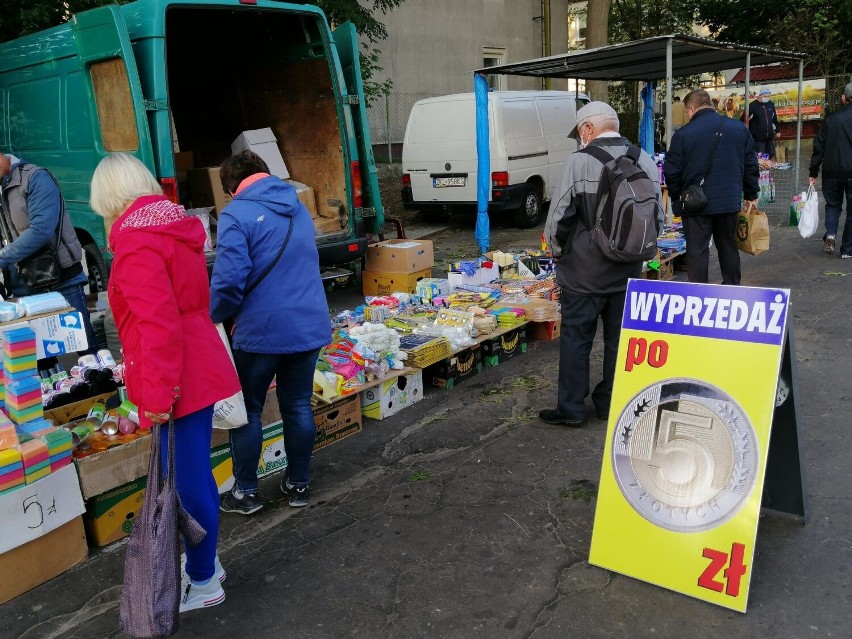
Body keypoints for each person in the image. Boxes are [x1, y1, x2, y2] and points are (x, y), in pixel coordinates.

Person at [89, 152, 240, 613]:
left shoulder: (136, 243)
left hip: (176, 376)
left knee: (189, 482)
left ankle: (202, 577)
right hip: (194, 364)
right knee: (193, 476)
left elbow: (156, 325)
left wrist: (155, 395)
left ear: (108, 195)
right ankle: (206, 566)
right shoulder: (170, 228)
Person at [210, 150, 330, 514]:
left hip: (261, 332)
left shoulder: (235, 213)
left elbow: (229, 282)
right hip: (307, 325)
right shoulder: (297, 208)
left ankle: (246, 492)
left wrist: (213, 316)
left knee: (248, 410)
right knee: (297, 405)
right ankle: (298, 484)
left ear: (231, 188)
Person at [539, 102, 663, 427]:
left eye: (580, 133)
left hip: (583, 275)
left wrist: (556, 252)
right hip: (628, 273)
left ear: (588, 130)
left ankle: (572, 409)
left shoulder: (580, 162)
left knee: (576, 339)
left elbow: (559, 218)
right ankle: (612, 402)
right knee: (619, 341)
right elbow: (657, 217)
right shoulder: (644, 158)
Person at [0, 152, 97, 354]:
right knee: (38, 358)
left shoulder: (36, 177)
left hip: (61, 278)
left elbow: (41, 230)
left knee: (84, 349)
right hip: (23, 284)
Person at [665, 89, 759, 285]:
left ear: (691, 108)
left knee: (697, 250)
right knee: (728, 246)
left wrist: (678, 197)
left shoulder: (683, 134)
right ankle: (732, 288)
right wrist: (751, 193)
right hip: (728, 200)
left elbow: (672, 172)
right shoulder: (739, 129)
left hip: (695, 203)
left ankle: (699, 294)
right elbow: (750, 164)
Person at [808, 82, 852, 259]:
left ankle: (831, 233)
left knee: (833, 205)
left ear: (843, 98)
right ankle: (847, 250)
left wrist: (813, 171)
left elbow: (818, 146)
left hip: (831, 171)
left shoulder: (831, 119)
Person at [745, 88, 781, 158]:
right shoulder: (753, 106)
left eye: (769, 96)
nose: (767, 98)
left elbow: (774, 118)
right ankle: (761, 168)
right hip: (758, 138)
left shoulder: (770, 104)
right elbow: (744, 120)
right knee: (761, 156)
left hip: (769, 136)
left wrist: (777, 131)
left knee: (771, 153)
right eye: (765, 96)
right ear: (760, 96)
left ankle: (767, 167)